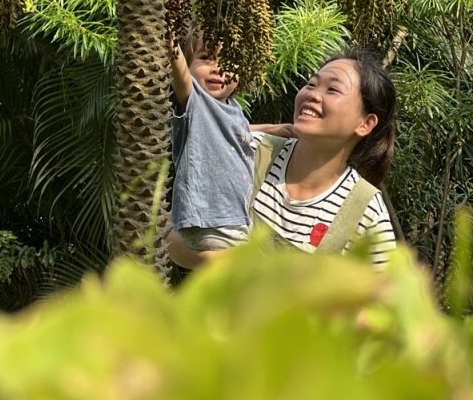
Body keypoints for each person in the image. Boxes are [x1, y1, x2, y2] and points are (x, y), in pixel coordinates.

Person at [168, 50, 397, 269]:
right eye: (311, 84)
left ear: (365, 124)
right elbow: (173, 236)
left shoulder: (366, 211)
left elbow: (385, 294)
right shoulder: (249, 152)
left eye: (332, 89)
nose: (312, 94)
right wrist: (227, 263)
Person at [169, 30, 293, 255]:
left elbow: (236, 129)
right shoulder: (193, 99)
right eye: (206, 58)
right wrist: (168, 36)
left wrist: (272, 129)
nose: (218, 68)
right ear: (187, 64)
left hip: (234, 218)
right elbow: (180, 74)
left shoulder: (232, 108)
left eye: (228, 61)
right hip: (210, 220)